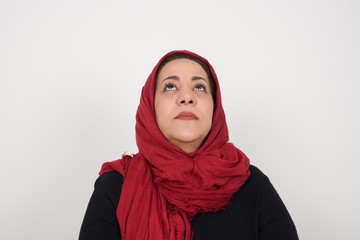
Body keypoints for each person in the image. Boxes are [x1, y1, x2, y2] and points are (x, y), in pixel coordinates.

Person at [79, 50, 299, 240]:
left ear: (215, 108)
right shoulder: (115, 186)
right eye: (170, 86)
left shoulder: (252, 185)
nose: (186, 97)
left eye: (200, 88)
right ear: (150, 105)